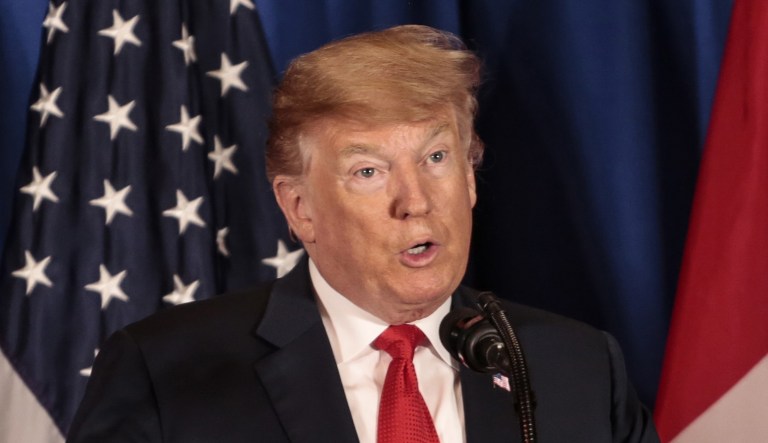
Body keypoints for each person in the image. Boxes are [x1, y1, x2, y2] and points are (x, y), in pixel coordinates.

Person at [67, 25, 659, 442]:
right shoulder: (166, 372)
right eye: (369, 172)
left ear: (471, 178)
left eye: (436, 157)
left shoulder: (576, 367)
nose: (416, 202)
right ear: (299, 208)